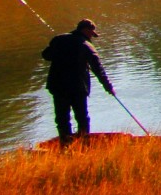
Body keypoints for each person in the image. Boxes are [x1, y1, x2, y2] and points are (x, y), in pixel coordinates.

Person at [41, 18, 115, 148]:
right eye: (91, 34)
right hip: (77, 88)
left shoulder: (59, 40)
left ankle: (65, 145)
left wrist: (60, 50)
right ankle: (84, 145)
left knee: (62, 118)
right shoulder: (86, 46)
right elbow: (98, 69)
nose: (91, 37)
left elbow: (46, 55)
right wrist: (108, 87)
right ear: (85, 30)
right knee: (82, 117)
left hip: (58, 86)